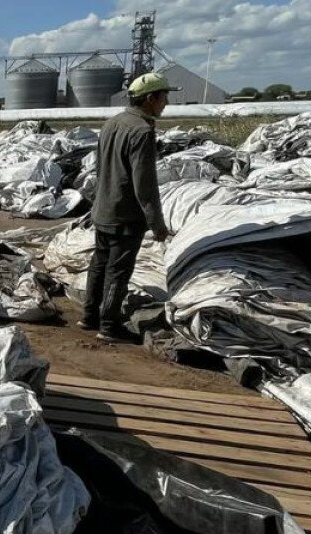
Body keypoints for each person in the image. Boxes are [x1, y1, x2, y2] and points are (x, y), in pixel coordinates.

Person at [79, 72, 180, 343]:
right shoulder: (142, 131)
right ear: (150, 98)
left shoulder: (112, 123)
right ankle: (109, 326)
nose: (166, 103)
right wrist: (157, 224)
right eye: (164, 97)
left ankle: (89, 317)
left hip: (103, 208)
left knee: (99, 265)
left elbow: (100, 168)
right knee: (118, 273)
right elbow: (144, 185)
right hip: (125, 216)